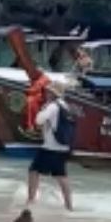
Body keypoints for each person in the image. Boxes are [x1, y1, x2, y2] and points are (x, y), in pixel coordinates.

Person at [26, 81, 74, 211]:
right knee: (62, 176)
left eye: (49, 91)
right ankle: (69, 206)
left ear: (53, 93)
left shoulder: (52, 106)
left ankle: (30, 200)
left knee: (33, 171)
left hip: (50, 147)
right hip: (63, 146)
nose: (46, 93)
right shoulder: (65, 106)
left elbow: (38, 121)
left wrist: (43, 109)